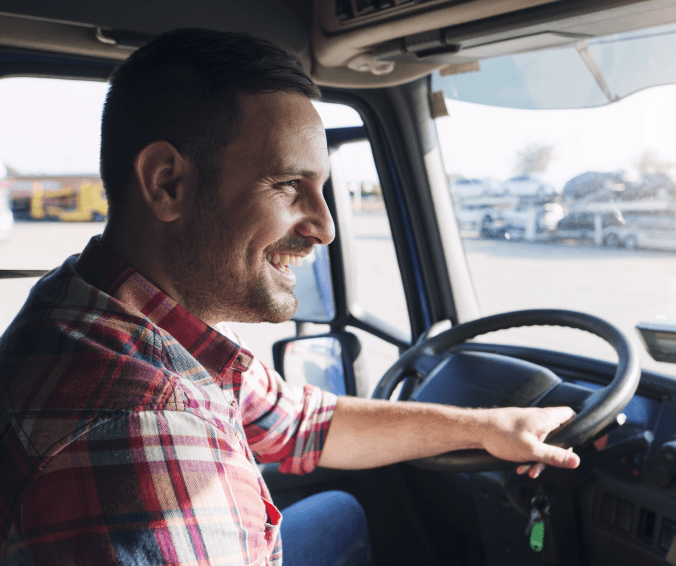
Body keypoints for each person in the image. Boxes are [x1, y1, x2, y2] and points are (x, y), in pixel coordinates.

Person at [0, 28, 580, 566]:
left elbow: (297, 422)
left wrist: (486, 428)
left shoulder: (101, 300)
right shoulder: (146, 434)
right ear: (166, 182)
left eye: (322, 189)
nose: (324, 227)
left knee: (340, 512)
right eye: (287, 185)